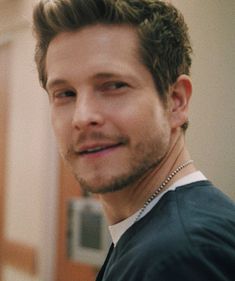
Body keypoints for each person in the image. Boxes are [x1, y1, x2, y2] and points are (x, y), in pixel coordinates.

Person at [32, 0, 235, 280]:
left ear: (176, 102)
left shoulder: (181, 257)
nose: (82, 117)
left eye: (114, 86)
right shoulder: (153, 229)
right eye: (65, 93)